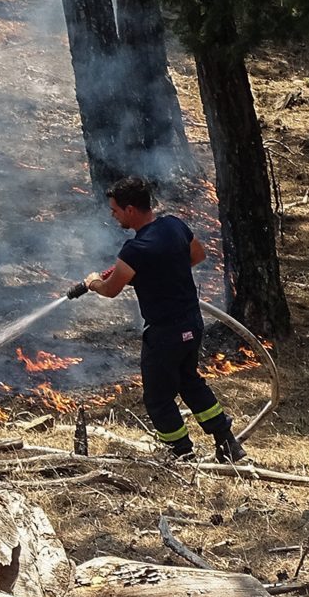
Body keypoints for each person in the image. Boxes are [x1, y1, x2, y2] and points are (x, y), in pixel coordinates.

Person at [75, 176, 247, 463]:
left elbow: (111, 290)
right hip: (192, 323)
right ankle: (227, 443)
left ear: (130, 209)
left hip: (164, 334)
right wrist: (164, 271)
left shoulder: (134, 250)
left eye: (115, 209)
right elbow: (198, 255)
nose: (113, 214)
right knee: (190, 381)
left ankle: (181, 454)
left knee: (158, 399)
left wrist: (93, 282)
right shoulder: (173, 225)